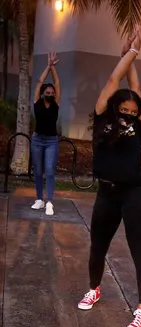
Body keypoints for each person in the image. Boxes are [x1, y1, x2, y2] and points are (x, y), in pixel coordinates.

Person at [76, 28, 141, 327]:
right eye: (124, 108)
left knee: (138, 251)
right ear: (114, 107)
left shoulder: (139, 122)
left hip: (132, 193)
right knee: (97, 246)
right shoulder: (102, 116)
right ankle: (94, 289)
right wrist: (128, 54)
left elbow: (135, 87)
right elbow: (114, 83)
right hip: (106, 193)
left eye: (134, 110)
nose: (129, 112)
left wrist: (132, 55)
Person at [31, 52, 61, 216]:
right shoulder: (37, 101)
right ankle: (39, 199)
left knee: (49, 170)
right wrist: (47, 66)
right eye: (47, 92)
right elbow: (40, 81)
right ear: (43, 93)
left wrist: (53, 68)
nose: (50, 94)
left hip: (51, 141)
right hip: (37, 139)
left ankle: (49, 201)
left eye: (52, 92)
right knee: (37, 170)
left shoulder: (56, 104)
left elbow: (57, 82)